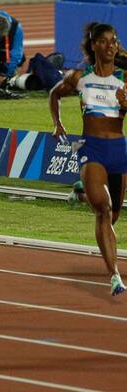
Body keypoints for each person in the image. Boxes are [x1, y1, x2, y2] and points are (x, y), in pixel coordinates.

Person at [49, 22, 127, 296]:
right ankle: (115, 275)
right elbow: (54, 94)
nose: (110, 45)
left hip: (119, 150)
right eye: (105, 41)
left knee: (114, 213)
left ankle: (80, 192)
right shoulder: (79, 76)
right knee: (104, 210)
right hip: (90, 147)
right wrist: (58, 123)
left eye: (114, 41)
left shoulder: (124, 79)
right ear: (94, 45)